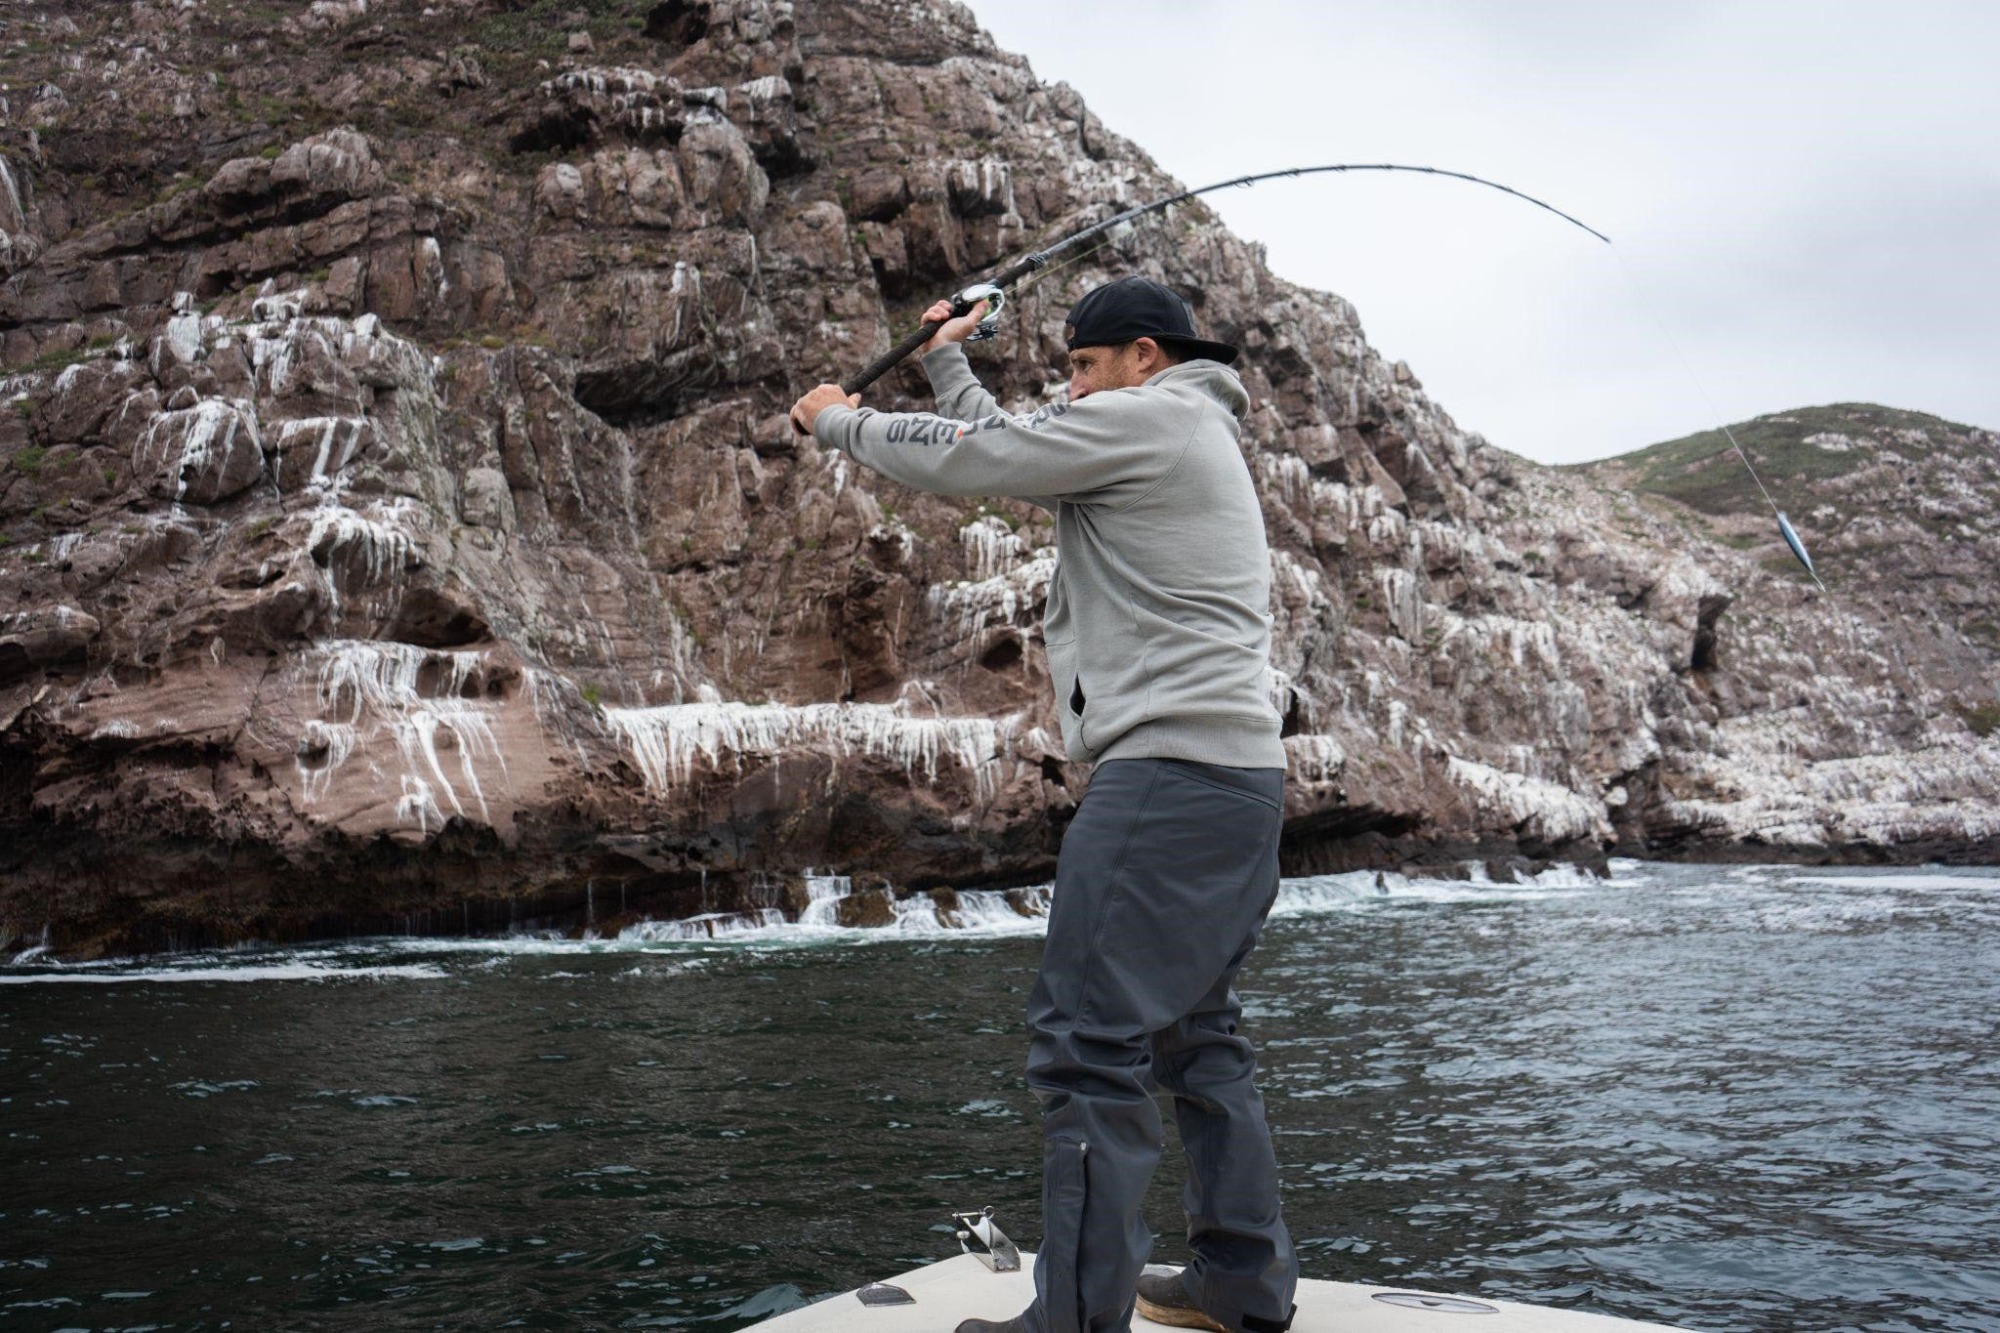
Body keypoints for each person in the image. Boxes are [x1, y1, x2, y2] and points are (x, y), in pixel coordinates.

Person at [790, 276, 1297, 1333]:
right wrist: (942, 358)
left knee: (1082, 1040)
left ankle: (1067, 1322)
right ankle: (1238, 1285)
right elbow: (1019, 444)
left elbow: (986, 458)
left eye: (1079, 365)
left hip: (1162, 779)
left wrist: (840, 420)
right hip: (1237, 783)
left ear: (1143, 355)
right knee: (1196, 1037)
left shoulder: (1150, 420)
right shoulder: (1174, 429)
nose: (1068, 386)